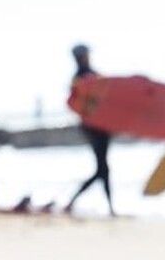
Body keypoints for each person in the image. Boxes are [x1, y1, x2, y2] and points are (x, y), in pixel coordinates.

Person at [64, 43, 116, 216]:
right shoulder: (80, 78)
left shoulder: (93, 75)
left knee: (103, 169)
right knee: (103, 169)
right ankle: (108, 208)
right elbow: (76, 104)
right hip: (94, 129)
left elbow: (110, 96)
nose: (87, 57)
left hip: (101, 128)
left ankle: (74, 202)